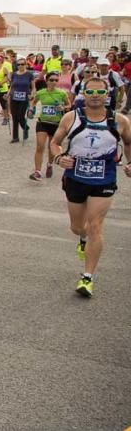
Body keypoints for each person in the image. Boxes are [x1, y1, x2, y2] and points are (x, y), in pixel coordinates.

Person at [49, 77, 131, 298]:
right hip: (75, 178)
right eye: (90, 92)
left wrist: (129, 163)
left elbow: (129, 142)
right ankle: (82, 238)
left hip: (104, 178)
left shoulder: (120, 120)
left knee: (95, 226)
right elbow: (54, 143)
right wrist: (59, 158)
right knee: (78, 227)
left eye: (100, 92)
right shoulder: (71, 118)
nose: (95, 96)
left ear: (108, 94)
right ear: (83, 94)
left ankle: (87, 278)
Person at [29, 72, 70, 181]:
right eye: (51, 80)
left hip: (56, 124)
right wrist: (31, 109)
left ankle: (49, 164)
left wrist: (63, 108)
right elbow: (33, 102)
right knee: (40, 146)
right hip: (43, 122)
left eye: (56, 80)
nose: (54, 82)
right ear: (47, 81)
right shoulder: (41, 93)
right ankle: (37, 171)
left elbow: (69, 105)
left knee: (51, 148)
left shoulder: (61, 93)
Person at [7, 57, 35, 143]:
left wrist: (32, 95)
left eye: (22, 64)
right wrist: (7, 94)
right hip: (14, 97)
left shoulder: (29, 74)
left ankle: (25, 127)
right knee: (14, 117)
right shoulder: (14, 74)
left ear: (26, 65)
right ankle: (15, 137)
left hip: (24, 97)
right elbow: (11, 86)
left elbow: (33, 87)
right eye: (18, 64)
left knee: (20, 116)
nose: (20, 66)